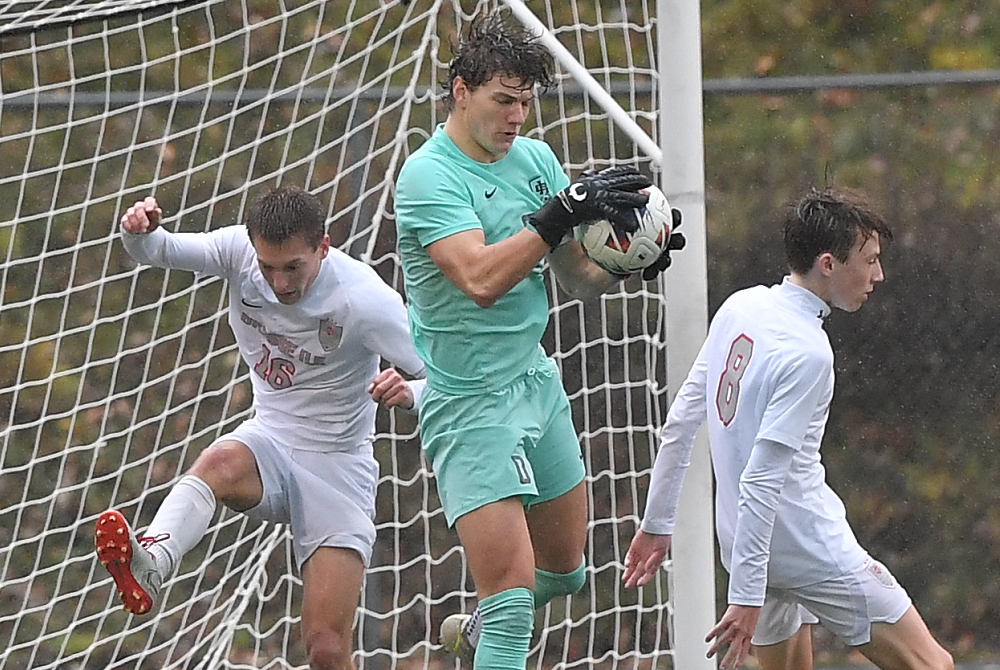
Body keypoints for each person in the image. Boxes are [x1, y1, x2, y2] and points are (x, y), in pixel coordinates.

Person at [392, 9, 684, 670]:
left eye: (525, 102)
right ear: (461, 92)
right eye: (503, 100)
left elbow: (573, 273)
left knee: (567, 572)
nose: (517, 116)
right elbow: (480, 279)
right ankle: (493, 632)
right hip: (470, 407)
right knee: (513, 601)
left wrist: (625, 262)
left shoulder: (536, 159)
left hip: (536, 384)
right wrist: (559, 213)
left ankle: (478, 633)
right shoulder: (428, 177)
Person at [95, 185, 427, 670]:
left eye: (293, 267)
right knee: (220, 460)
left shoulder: (366, 299)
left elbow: (445, 378)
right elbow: (159, 249)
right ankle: (152, 563)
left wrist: (411, 393)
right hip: (269, 443)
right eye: (267, 266)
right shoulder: (237, 252)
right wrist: (138, 233)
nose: (279, 282)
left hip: (337, 469)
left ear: (324, 247)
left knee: (326, 646)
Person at [622, 187, 953, 670]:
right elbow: (761, 480)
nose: (878, 275)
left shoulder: (741, 307)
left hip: (745, 546)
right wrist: (746, 598)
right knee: (935, 665)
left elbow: (680, 422)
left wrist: (657, 524)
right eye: (871, 261)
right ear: (828, 263)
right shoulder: (808, 353)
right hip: (806, 545)